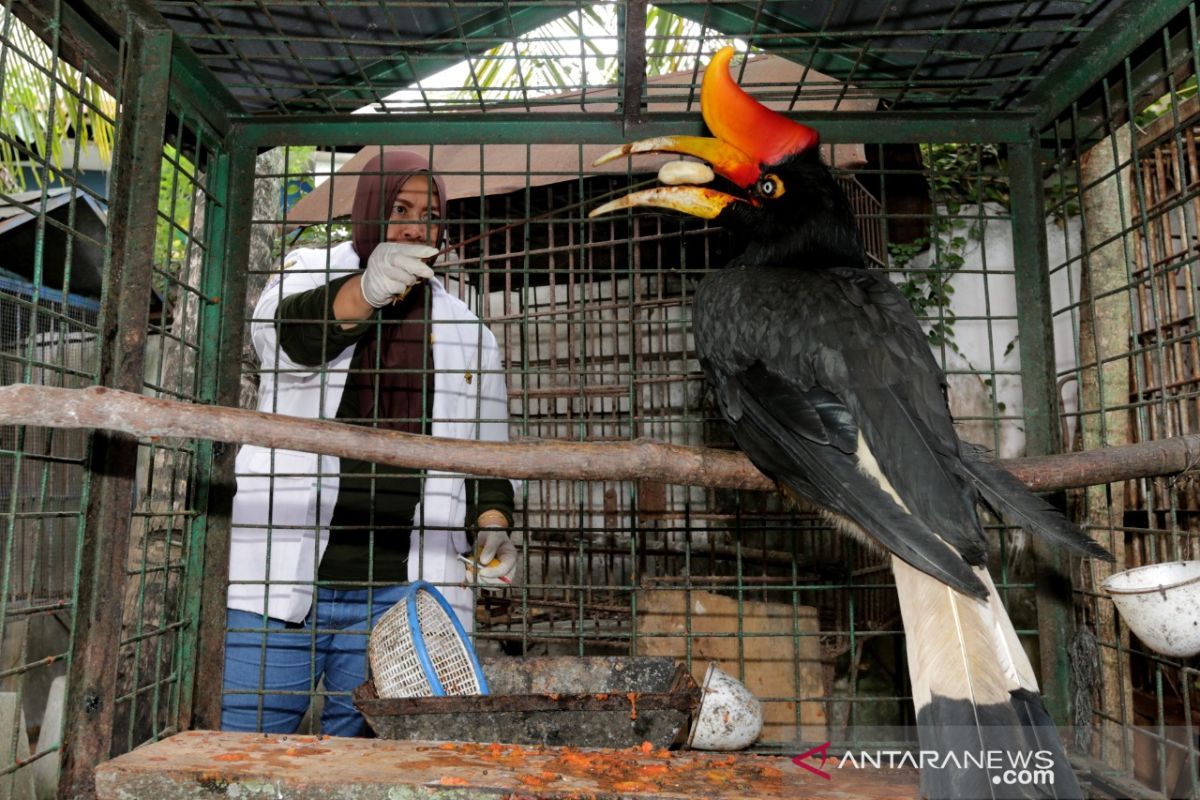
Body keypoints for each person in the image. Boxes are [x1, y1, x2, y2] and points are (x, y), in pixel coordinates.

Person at [221, 150, 518, 736]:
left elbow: (485, 450)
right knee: (245, 743)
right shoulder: (308, 271)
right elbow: (287, 340)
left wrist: (493, 524)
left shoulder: (466, 330)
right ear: (368, 211)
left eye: (429, 215)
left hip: (395, 595)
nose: (414, 226)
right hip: (280, 578)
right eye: (399, 209)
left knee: (358, 763)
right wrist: (367, 290)